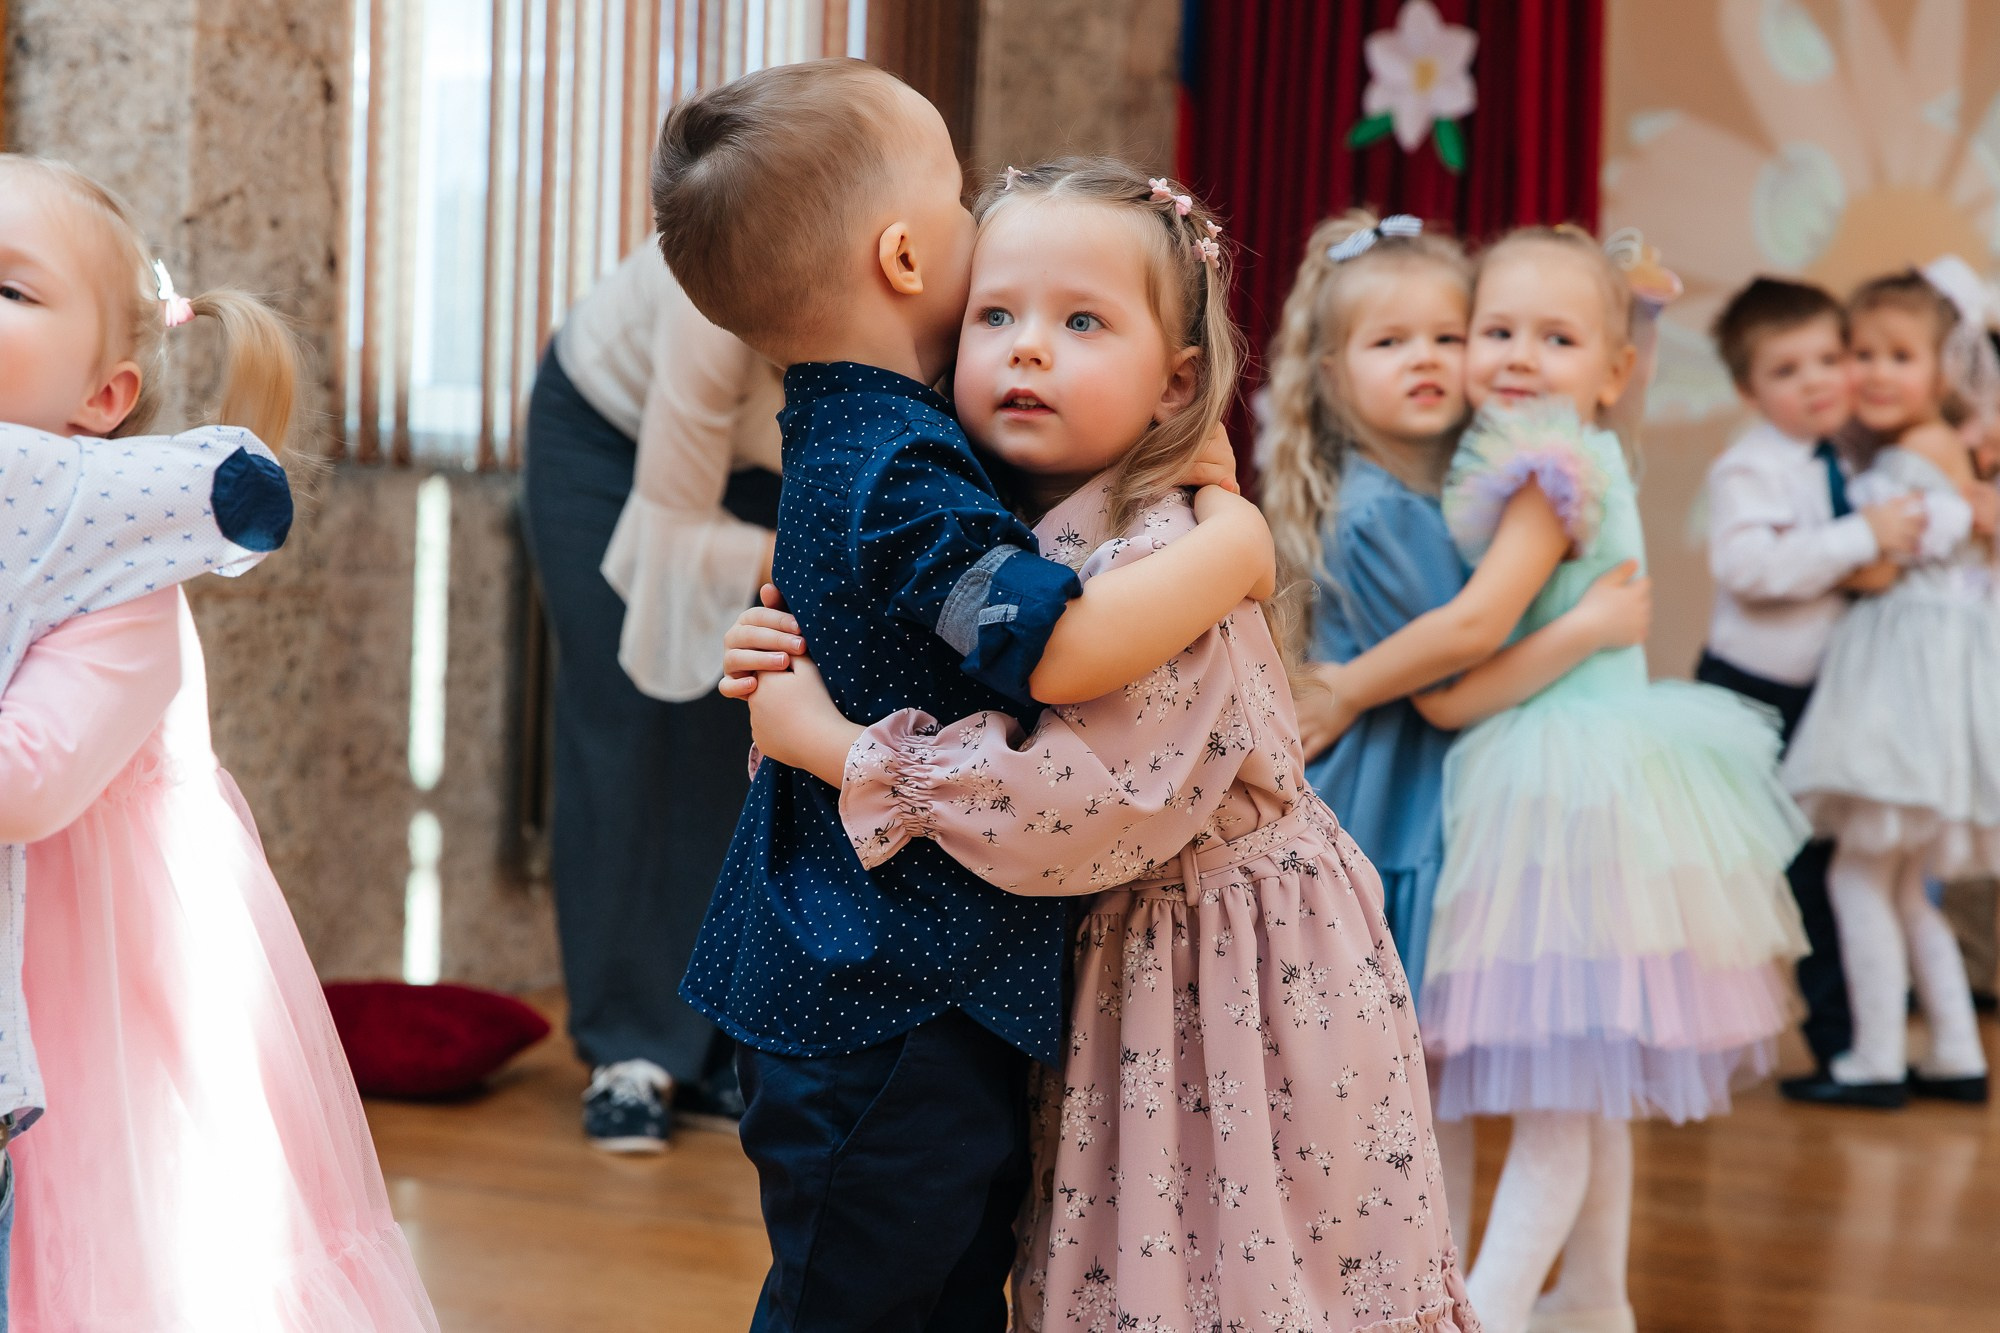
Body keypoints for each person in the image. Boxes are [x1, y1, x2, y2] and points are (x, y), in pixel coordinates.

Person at [725, 158, 1480, 1333]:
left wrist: (828, 742)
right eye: (997, 315)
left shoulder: (1162, 550)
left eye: (1080, 321)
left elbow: (1068, 800)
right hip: (1127, 959)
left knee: (1229, 1283)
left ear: (1176, 381)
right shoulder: (975, 509)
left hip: (1229, 979)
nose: (1029, 348)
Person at [649, 62, 1276, 1330]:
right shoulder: (895, 463)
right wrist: (1236, 550)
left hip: (894, 980)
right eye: (952, 191)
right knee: (863, 1298)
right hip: (880, 998)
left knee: (932, 1289)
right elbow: (1051, 651)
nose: (970, 217)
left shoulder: (860, 432)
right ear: (902, 254)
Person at [0, 154, 438, 1331]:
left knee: (95, 1273)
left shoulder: (122, 575)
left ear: (103, 398)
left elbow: (31, 779)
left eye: (8, 290)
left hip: (89, 1010)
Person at [1348, 226, 1806, 1333]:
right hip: (1600, 772)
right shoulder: (1580, 453)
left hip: (1558, 785)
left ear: (1611, 370)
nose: (1514, 356)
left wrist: (1421, 694)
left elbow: (1472, 646)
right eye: (1494, 330)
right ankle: (1594, 1299)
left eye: (1553, 338)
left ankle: (1488, 1311)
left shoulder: (1541, 470)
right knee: (1587, 1088)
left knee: (1556, 1096)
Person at [1260, 212, 1651, 1022]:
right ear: (1332, 374)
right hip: (1387, 796)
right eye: (1390, 342)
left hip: (1417, 782)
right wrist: (1350, 687)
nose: (1426, 360)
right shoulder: (1383, 511)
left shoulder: (1445, 489)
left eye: (1447, 336)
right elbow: (1462, 659)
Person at [522, 242, 783, 1150]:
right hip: (613, 440)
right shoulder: (720, 296)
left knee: (744, 722)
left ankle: (710, 1048)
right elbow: (671, 533)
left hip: (756, 456)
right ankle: (628, 1054)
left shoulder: (935, 319)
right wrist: (817, 559)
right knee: (628, 716)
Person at [1696, 276, 1927, 1088]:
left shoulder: (1853, 452)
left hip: (1826, 696)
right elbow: (1750, 567)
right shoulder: (1748, 469)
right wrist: (1857, 538)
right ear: (1749, 388)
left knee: (1824, 872)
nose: (1819, 380)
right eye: (1787, 370)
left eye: (1829, 357)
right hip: (1750, 693)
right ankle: (1707, 1036)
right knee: (1745, 871)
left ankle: (1849, 1046)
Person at [1780, 269, 2000, 1108]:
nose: (1873, 372)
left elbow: (1876, 562)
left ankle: (1874, 1055)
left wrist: (1829, 546)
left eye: (1897, 355)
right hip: (1936, 689)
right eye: (1859, 353)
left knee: (1855, 878)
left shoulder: (1913, 456)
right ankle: (1952, 1049)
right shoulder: (1945, 451)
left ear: (1943, 370)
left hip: (1901, 693)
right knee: (1903, 884)